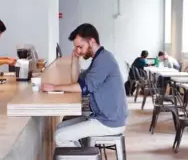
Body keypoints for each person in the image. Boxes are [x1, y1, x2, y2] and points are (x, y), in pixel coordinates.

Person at [41, 23, 128, 151]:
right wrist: (75, 59)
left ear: (91, 41)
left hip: (109, 121)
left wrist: (55, 87)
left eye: (80, 47)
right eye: (77, 48)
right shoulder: (98, 59)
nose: (79, 51)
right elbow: (76, 80)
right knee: (60, 128)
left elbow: (83, 87)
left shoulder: (104, 60)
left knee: (60, 136)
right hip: (101, 116)